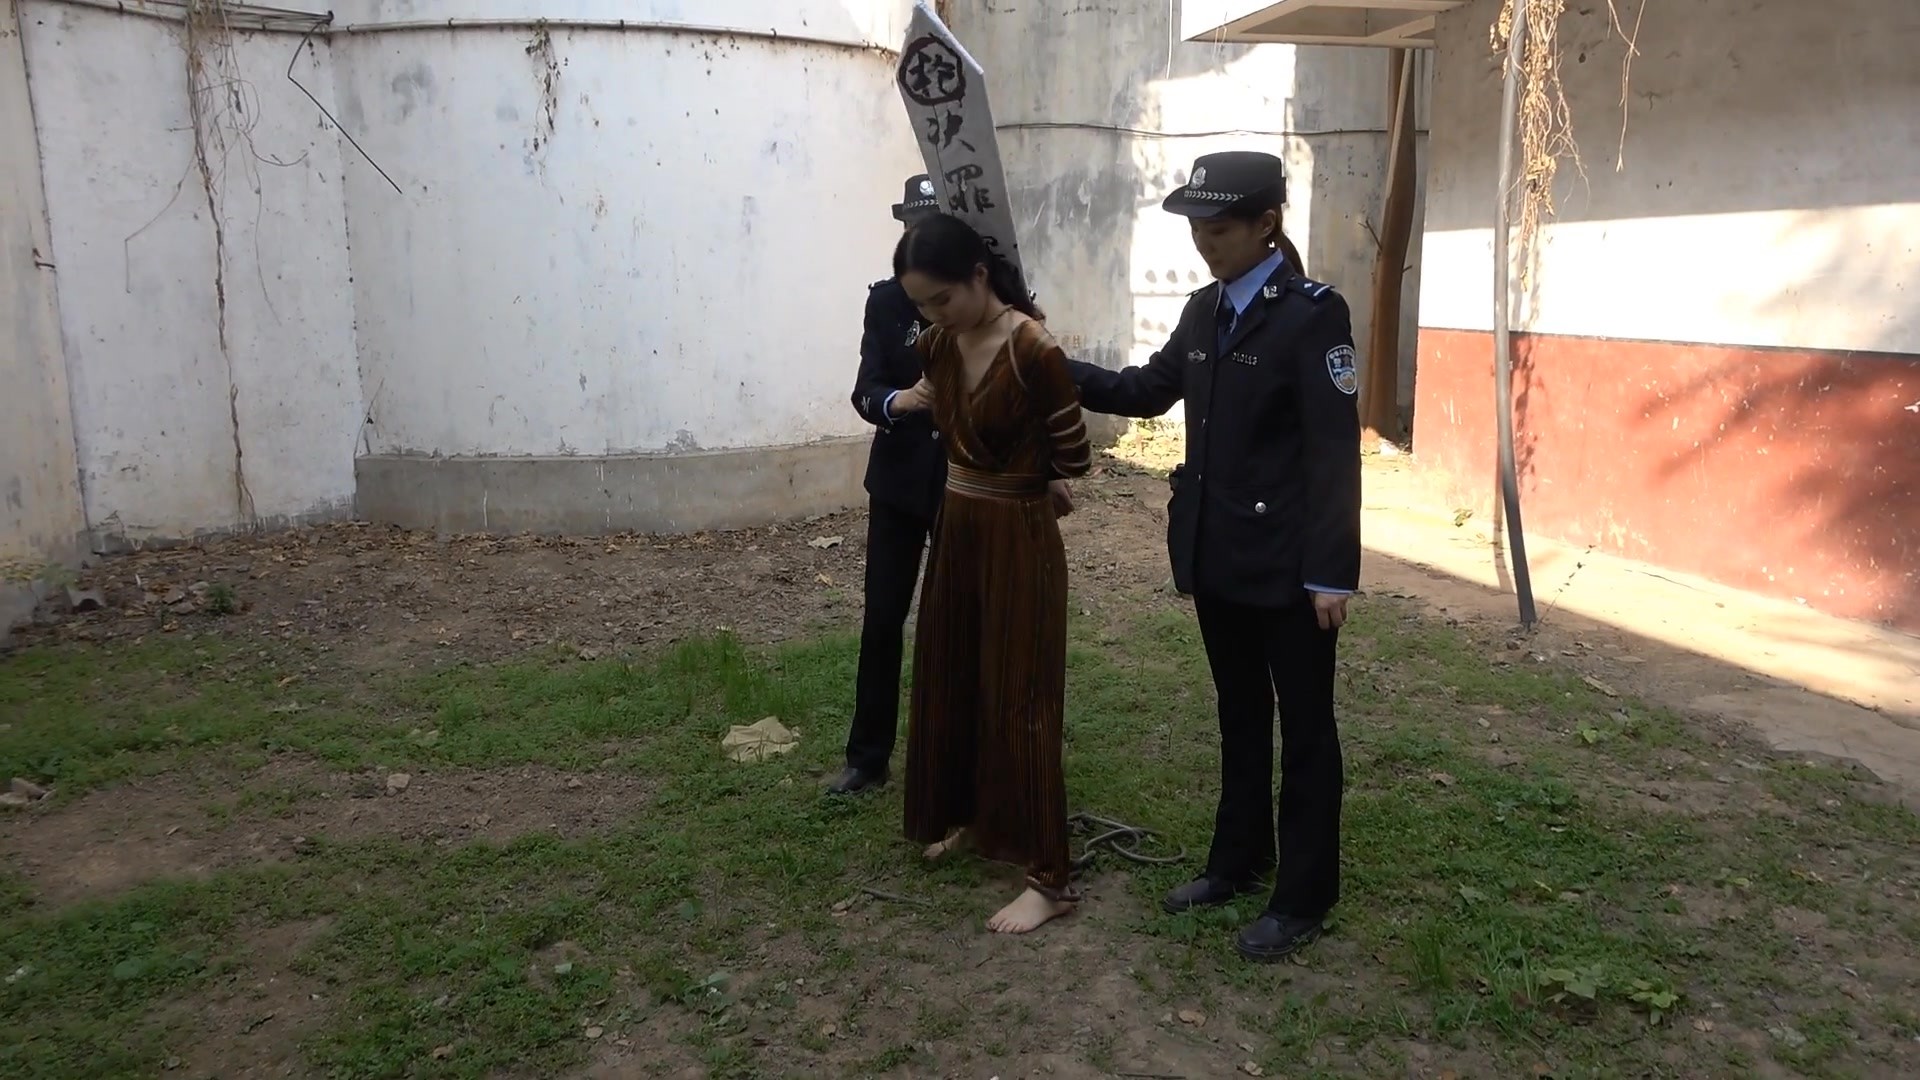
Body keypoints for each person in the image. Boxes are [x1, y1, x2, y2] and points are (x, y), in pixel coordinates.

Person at [1064, 150, 1362, 962]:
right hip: (1217, 550)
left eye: (1220, 228)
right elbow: (1144, 390)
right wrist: (1053, 365)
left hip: (1291, 565)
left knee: (1306, 730)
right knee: (1239, 713)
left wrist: (1331, 572)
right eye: (1197, 227)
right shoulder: (1204, 311)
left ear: (1266, 223)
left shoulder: (1311, 315)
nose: (1205, 241)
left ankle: (1304, 895)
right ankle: (1237, 859)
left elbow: (1334, 451)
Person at [889, 213, 1093, 934]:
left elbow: (1075, 456)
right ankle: (977, 820)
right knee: (954, 674)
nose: (932, 315)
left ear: (979, 276)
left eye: (942, 298)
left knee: (1022, 696)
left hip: (1018, 534)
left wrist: (1033, 475)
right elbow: (937, 410)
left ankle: (1050, 878)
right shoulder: (937, 344)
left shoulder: (1034, 348)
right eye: (921, 304)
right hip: (958, 526)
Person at [830, 175, 946, 796]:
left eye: (932, 227)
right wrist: (901, 400)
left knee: (952, 625)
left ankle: (948, 759)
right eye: (913, 227)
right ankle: (867, 758)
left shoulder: (982, 292)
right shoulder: (887, 301)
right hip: (899, 480)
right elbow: (866, 387)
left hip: (963, 481)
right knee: (882, 618)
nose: (920, 239)